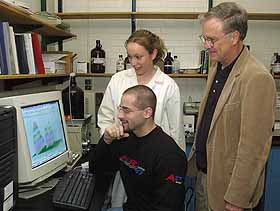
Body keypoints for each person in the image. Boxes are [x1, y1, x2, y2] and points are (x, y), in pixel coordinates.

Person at [187, 2, 276, 211]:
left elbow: (253, 150)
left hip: (229, 192)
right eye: (204, 39)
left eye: (212, 39)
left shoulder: (256, 77)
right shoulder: (217, 65)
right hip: (205, 178)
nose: (206, 45)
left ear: (234, 37)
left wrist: (237, 199)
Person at [98, 29, 185, 209]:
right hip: (123, 157)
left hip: (156, 163)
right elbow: (105, 117)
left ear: (153, 54)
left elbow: (176, 131)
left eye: (139, 57)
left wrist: (174, 169)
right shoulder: (117, 80)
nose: (134, 63)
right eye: (130, 57)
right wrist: (110, 136)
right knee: (125, 201)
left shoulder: (168, 86)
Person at [93, 85, 187, 211]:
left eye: (126, 110)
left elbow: (167, 207)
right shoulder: (125, 139)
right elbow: (96, 167)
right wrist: (106, 140)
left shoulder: (170, 156)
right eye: (120, 109)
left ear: (147, 113)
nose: (120, 115)